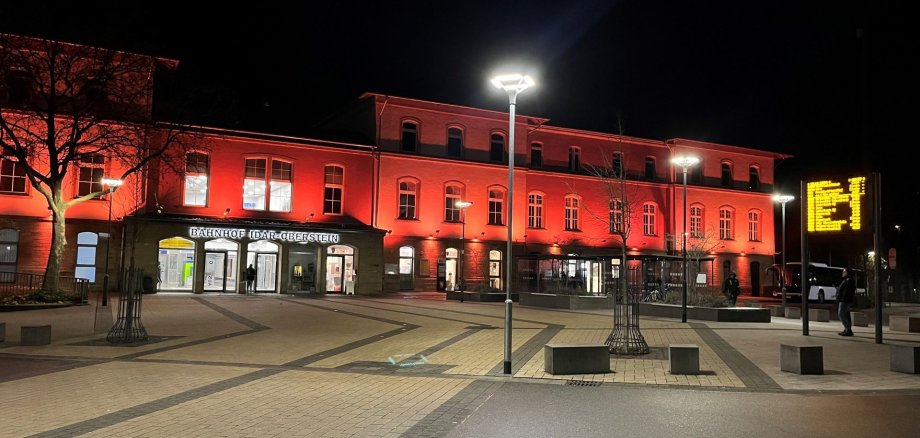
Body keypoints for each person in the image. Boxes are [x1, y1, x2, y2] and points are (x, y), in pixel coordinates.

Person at [836, 267, 856, 336]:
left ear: (847, 273)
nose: (843, 273)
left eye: (844, 272)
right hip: (844, 300)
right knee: (846, 315)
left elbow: (847, 292)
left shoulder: (849, 280)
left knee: (841, 315)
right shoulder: (847, 280)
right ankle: (847, 329)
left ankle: (848, 330)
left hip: (845, 301)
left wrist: (842, 297)